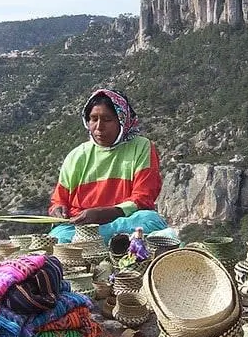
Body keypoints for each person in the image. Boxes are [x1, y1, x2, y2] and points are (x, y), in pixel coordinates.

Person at [47, 88, 168, 244]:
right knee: (57, 236)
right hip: (81, 227)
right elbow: (59, 199)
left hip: (123, 221)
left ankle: (88, 242)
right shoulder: (76, 156)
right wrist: (58, 209)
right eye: (93, 119)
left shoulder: (141, 147)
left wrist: (105, 213)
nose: (99, 126)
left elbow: (143, 198)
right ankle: (104, 241)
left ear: (122, 120)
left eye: (107, 119)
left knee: (150, 220)